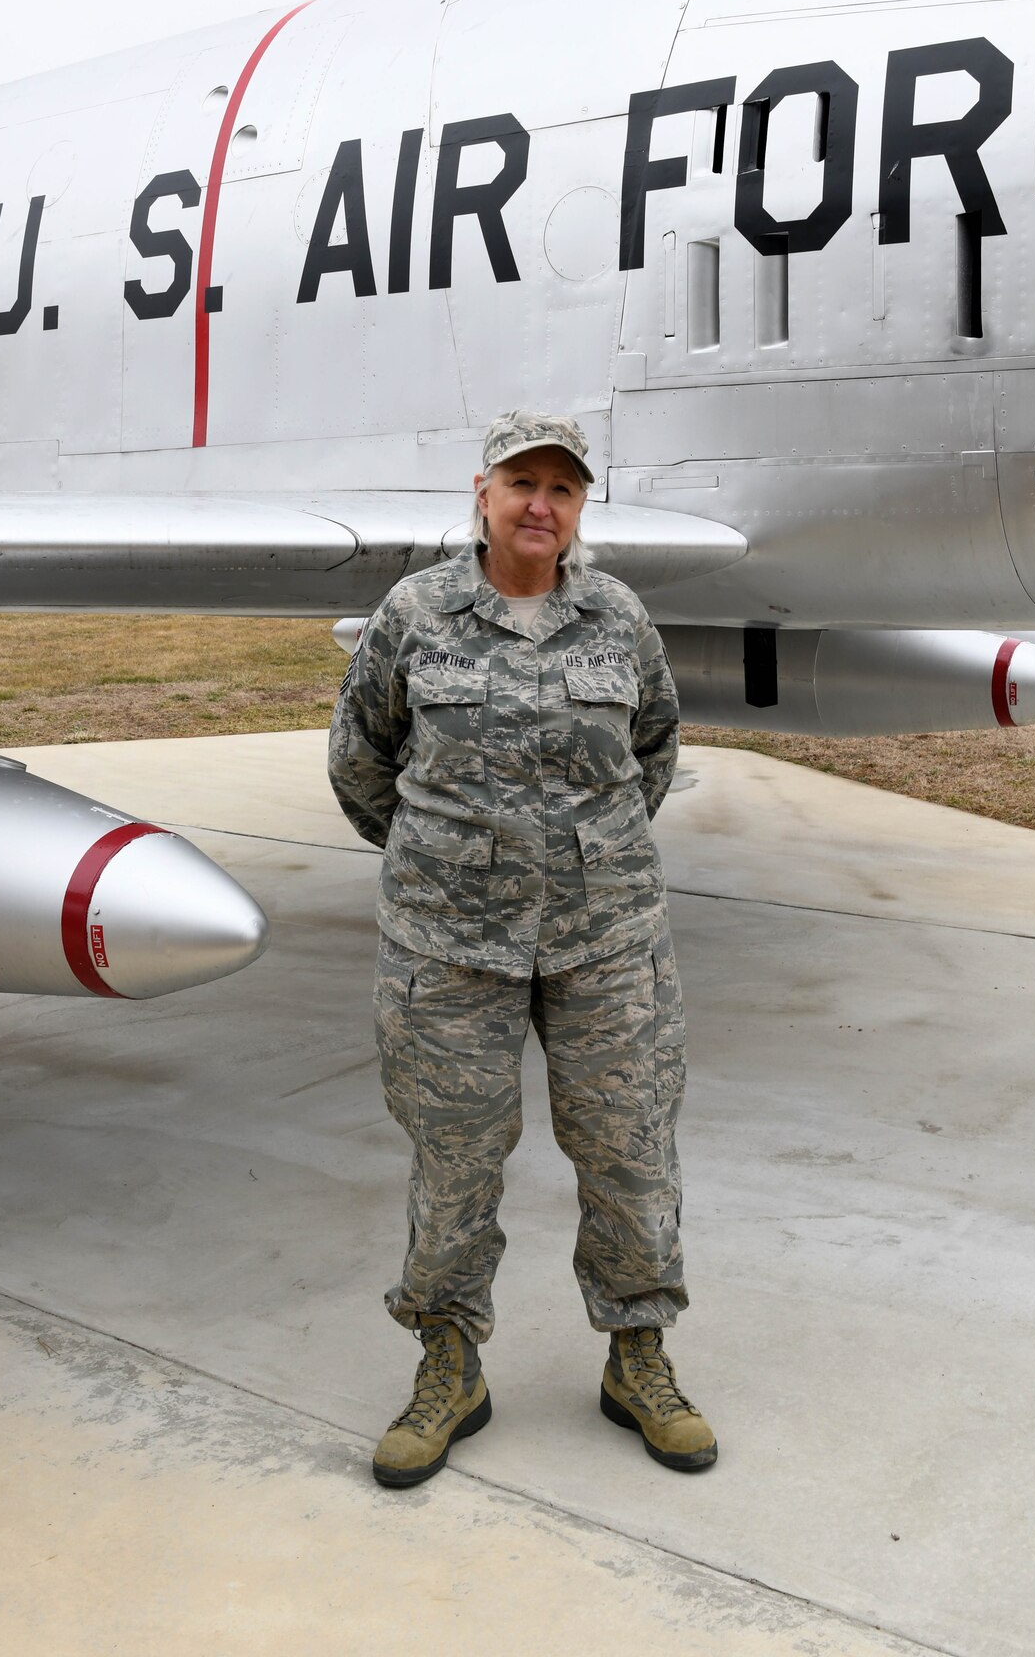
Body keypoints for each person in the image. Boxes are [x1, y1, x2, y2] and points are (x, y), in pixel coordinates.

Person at [329, 409, 716, 1488]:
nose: (541, 503)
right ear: (483, 493)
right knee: (453, 1158)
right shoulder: (415, 613)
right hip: (450, 945)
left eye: (563, 487)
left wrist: (579, 862)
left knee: (631, 1148)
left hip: (606, 943)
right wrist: (454, 857)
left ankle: (638, 1357)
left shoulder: (617, 615)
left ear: (580, 505)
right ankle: (449, 1362)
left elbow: (653, 749)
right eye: (521, 482)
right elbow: (362, 758)